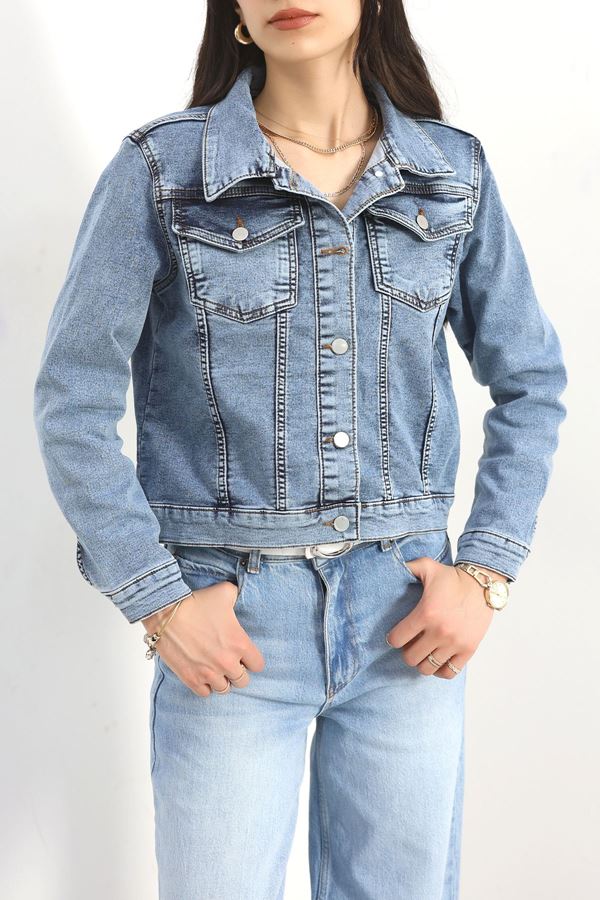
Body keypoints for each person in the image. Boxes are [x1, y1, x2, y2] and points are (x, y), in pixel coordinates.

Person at [32, 1, 568, 897]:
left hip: (408, 621)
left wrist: (485, 573)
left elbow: (532, 381)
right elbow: (71, 401)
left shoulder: (451, 173)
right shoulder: (166, 171)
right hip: (231, 626)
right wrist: (160, 601)